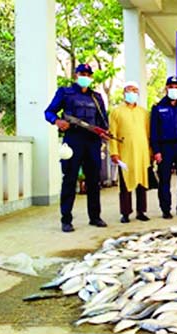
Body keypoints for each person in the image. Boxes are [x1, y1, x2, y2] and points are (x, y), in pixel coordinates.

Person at [44, 63, 109, 232]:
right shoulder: (65, 92)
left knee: (94, 181)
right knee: (70, 179)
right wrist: (57, 121)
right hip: (73, 140)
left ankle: (95, 217)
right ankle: (66, 219)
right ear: (76, 75)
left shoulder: (97, 97)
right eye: (82, 73)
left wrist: (104, 132)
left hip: (93, 142)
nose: (85, 77)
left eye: (88, 74)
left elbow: (103, 121)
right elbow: (49, 112)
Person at [150, 76, 177, 219]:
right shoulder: (158, 107)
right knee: (164, 180)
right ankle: (166, 209)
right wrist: (156, 151)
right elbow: (154, 131)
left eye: (176, 87)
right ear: (166, 88)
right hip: (165, 147)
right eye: (171, 87)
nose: (174, 89)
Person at [109, 81, 150, 223]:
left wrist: (150, 151)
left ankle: (141, 211)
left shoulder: (143, 112)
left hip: (142, 153)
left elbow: (148, 132)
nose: (132, 93)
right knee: (125, 183)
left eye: (134, 90)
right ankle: (125, 213)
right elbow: (112, 134)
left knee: (142, 182)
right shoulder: (116, 112)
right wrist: (114, 152)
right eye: (129, 90)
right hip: (124, 153)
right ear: (124, 93)